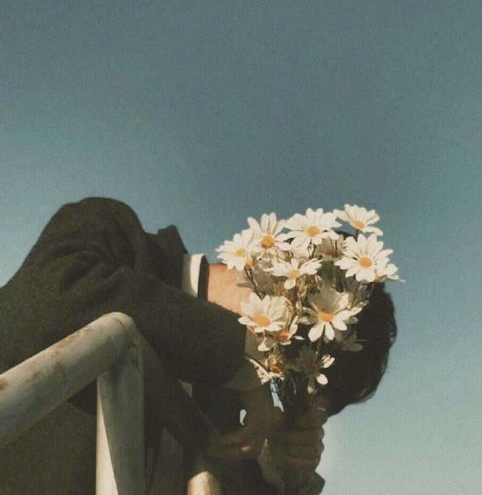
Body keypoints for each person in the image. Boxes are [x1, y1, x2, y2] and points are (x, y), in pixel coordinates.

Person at [0, 197, 396, 494]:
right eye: (286, 365)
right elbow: (43, 304)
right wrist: (241, 357)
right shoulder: (112, 233)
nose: (269, 378)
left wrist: (280, 474)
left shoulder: (229, 406)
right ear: (292, 293)